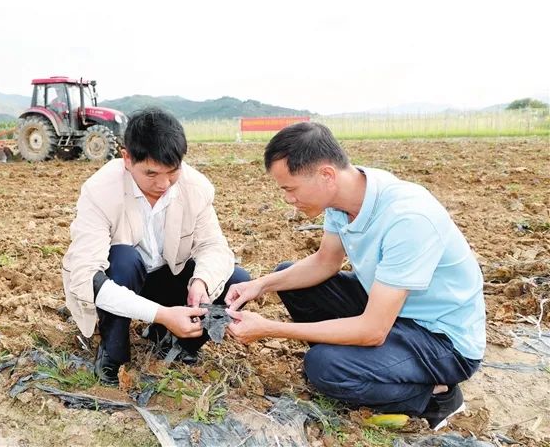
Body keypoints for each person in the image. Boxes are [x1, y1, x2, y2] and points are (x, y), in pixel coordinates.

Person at [224, 122, 485, 431]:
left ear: (326, 175)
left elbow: (374, 330)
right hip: (394, 308)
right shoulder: (345, 198)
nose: (287, 199)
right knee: (286, 277)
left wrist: (270, 328)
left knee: (323, 367)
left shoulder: (408, 218)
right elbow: (325, 262)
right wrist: (260, 284)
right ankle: (362, 362)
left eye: (290, 189)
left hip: (441, 340)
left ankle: (436, 397)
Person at [62, 107, 251, 385]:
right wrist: (161, 314)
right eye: (151, 173)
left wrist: (201, 283)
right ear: (127, 158)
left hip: (166, 278)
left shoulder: (195, 188)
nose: (163, 184)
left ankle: (176, 344)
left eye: (172, 172)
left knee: (236, 280)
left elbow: (215, 248)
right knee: (124, 258)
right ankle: (113, 352)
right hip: (123, 279)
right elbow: (86, 277)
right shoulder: (100, 191)